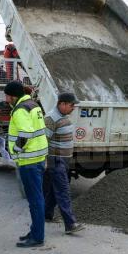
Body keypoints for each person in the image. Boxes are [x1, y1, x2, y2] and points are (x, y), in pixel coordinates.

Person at [4, 81, 49, 248]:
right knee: (36, 199)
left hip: (28, 161)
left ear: (13, 96)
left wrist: (15, 150)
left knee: (35, 200)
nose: (6, 99)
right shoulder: (33, 105)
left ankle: (37, 237)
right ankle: (35, 231)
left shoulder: (20, 110)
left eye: (7, 95)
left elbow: (26, 133)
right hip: (37, 159)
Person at [43, 92, 85, 234]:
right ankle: (70, 224)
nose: (73, 108)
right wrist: (45, 162)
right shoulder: (50, 118)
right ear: (62, 104)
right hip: (55, 160)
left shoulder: (63, 117)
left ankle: (46, 215)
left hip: (63, 160)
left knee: (53, 191)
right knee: (63, 191)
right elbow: (44, 142)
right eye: (72, 105)